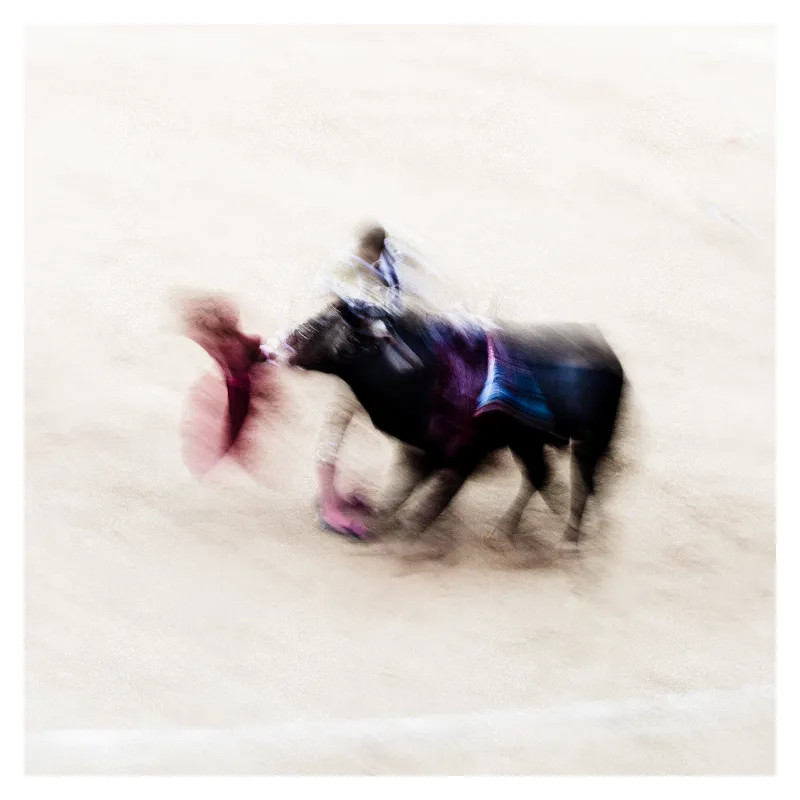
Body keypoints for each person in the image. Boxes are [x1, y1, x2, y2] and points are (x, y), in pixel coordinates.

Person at [314, 222, 440, 538]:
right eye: (362, 252)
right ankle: (329, 505)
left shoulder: (397, 262)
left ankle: (331, 495)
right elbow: (340, 305)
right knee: (338, 423)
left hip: (372, 360)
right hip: (354, 360)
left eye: (368, 253)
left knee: (352, 423)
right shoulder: (348, 267)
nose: (364, 256)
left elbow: (415, 302)